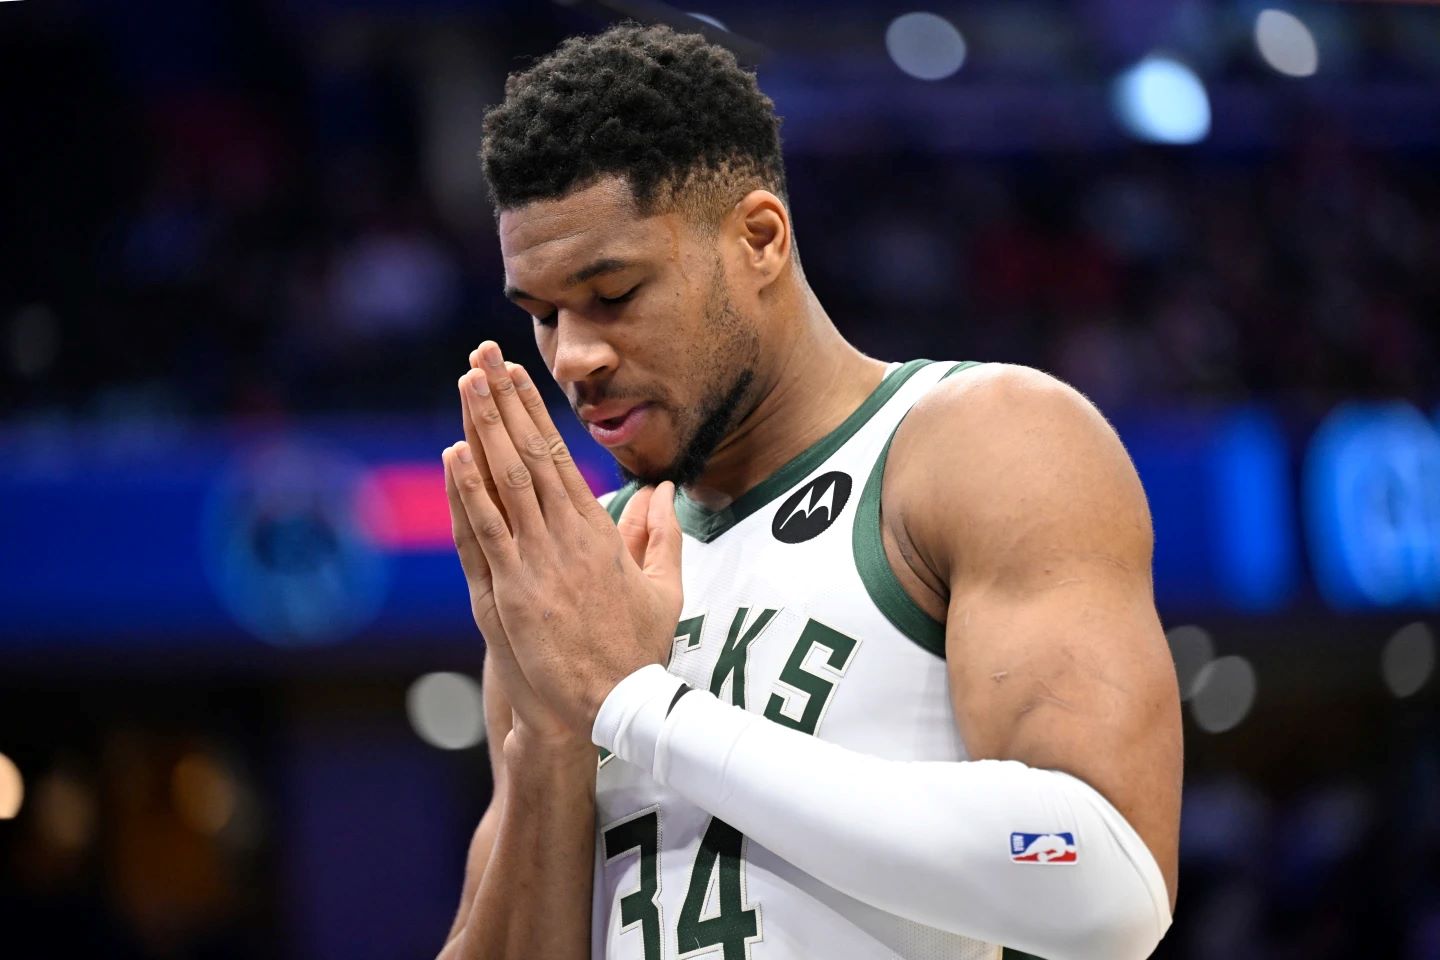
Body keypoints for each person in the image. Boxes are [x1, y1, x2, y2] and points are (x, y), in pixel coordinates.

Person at [435, 22, 1181, 960]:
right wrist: (551, 742)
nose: (574, 356)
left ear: (759, 239)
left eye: (613, 295)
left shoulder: (978, 442)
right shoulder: (576, 574)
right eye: (543, 315)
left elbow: (1104, 885)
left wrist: (638, 707)